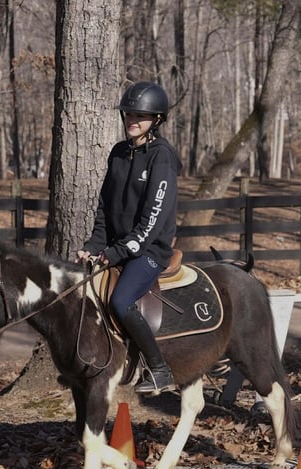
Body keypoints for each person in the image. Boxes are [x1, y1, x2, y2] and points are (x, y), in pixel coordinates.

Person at [76, 81, 182, 395]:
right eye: (129, 114)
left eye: (141, 115)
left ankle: (159, 369)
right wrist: (93, 246)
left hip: (149, 250)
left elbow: (153, 219)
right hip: (118, 247)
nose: (132, 120)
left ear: (157, 119)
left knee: (121, 302)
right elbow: (104, 207)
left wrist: (118, 252)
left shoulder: (161, 157)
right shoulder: (119, 153)